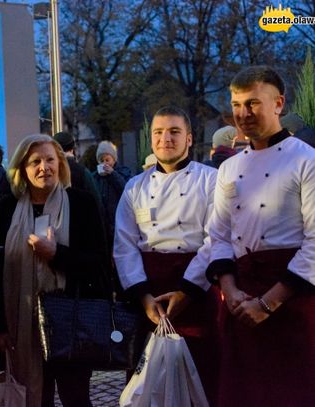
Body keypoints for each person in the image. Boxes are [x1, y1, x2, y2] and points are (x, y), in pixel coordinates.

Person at [206, 66, 315, 406]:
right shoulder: (229, 167)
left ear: (278, 103)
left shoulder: (306, 160)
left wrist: (268, 303)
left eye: (253, 103)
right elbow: (218, 235)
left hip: (293, 300)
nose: (243, 114)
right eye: (237, 104)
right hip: (241, 299)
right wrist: (232, 292)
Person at [0, 134, 110, 407]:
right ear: (22, 168)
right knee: (34, 398)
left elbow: (99, 263)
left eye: (50, 160)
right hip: (20, 322)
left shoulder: (82, 203)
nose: (45, 167)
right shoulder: (5, 210)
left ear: (61, 164)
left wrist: (57, 255)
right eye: (36, 161)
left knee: (76, 397)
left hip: (72, 320)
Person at [114, 106, 219, 402]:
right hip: (148, 294)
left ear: (189, 138)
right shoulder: (135, 187)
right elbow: (124, 246)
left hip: (195, 291)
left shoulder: (211, 181)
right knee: (148, 385)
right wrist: (144, 298)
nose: (165, 139)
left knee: (204, 378)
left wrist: (186, 292)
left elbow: (216, 239)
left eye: (174, 131)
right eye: (158, 132)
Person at [92, 140, 131, 244]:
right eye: (101, 161)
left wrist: (113, 174)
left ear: (114, 159)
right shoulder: (95, 177)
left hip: (119, 224)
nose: (104, 163)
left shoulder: (123, 172)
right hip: (101, 226)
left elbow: (126, 190)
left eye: (107, 160)